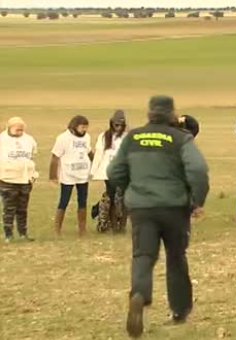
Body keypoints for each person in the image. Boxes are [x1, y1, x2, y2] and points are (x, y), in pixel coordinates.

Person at [108, 95, 209, 338]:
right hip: (174, 207)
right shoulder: (180, 138)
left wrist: (132, 187)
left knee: (143, 255)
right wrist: (197, 200)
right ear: (172, 113)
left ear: (149, 112)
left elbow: (114, 171)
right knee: (176, 257)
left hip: (142, 208)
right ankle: (180, 310)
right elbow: (198, 169)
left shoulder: (133, 137)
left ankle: (140, 295)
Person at [50, 115, 93, 237]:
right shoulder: (63, 138)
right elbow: (55, 156)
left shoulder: (87, 137)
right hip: (68, 175)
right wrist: (53, 176)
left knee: (83, 201)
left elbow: (89, 152)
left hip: (83, 174)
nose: (84, 130)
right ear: (75, 126)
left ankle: (82, 229)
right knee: (64, 200)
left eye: (86, 127)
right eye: (82, 127)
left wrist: (95, 166)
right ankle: (57, 229)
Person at [0, 117, 38, 243]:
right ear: (9, 127)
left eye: (22, 130)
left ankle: (23, 233)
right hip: (7, 180)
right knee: (9, 209)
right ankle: (8, 234)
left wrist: (32, 175)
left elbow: (32, 156)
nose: (20, 132)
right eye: (17, 130)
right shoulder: (2, 140)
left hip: (25, 179)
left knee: (22, 208)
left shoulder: (29, 140)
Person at [90, 110, 128, 233]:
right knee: (111, 197)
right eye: (116, 125)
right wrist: (93, 171)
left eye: (121, 125)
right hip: (108, 172)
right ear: (111, 124)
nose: (118, 128)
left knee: (124, 199)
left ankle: (122, 226)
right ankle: (113, 225)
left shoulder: (126, 137)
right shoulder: (104, 136)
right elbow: (99, 155)